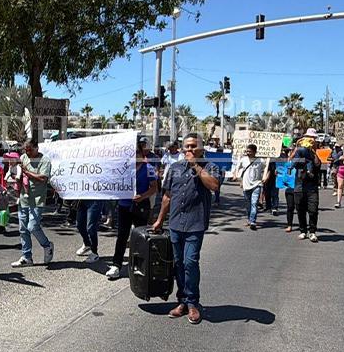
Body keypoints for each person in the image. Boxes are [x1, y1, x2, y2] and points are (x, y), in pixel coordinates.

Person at [152, 133, 222, 325]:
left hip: (195, 224)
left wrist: (195, 166)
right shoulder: (174, 168)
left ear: (201, 148)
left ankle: (192, 303)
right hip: (175, 223)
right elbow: (167, 196)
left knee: (190, 262)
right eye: (187, 146)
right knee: (178, 264)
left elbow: (214, 186)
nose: (189, 149)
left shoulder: (211, 167)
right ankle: (182, 301)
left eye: (193, 146)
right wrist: (159, 220)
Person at [106, 144, 158, 279]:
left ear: (142, 154)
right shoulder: (123, 168)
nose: (135, 156)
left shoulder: (149, 168)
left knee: (140, 236)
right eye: (132, 153)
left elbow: (154, 188)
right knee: (122, 236)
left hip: (140, 205)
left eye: (137, 153)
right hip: (124, 205)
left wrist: (143, 196)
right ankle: (116, 265)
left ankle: (140, 264)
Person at [11, 140, 55, 268]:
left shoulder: (44, 161)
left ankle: (47, 245)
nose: (27, 152)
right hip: (24, 199)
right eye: (25, 150)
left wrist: (26, 172)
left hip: (37, 200)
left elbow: (43, 178)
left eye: (29, 149)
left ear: (37, 148)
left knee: (33, 227)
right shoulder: (23, 158)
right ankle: (26, 257)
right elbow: (19, 173)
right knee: (23, 229)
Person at [291, 131, 321, 242]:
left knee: (313, 210)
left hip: (312, 188)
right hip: (299, 187)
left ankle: (312, 231)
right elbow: (291, 162)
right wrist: (297, 148)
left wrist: (313, 151)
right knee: (300, 210)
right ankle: (303, 231)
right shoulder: (298, 152)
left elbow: (317, 164)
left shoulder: (313, 154)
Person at [233, 144, 265, 230]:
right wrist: (236, 175)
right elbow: (237, 168)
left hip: (257, 184)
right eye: (247, 151)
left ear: (255, 152)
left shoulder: (261, 160)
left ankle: (253, 221)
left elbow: (266, 169)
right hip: (246, 185)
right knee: (248, 204)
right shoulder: (243, 160)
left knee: (254, 203)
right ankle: (249, 219)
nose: (248, 153)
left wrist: (265, 177)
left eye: (250, 151)